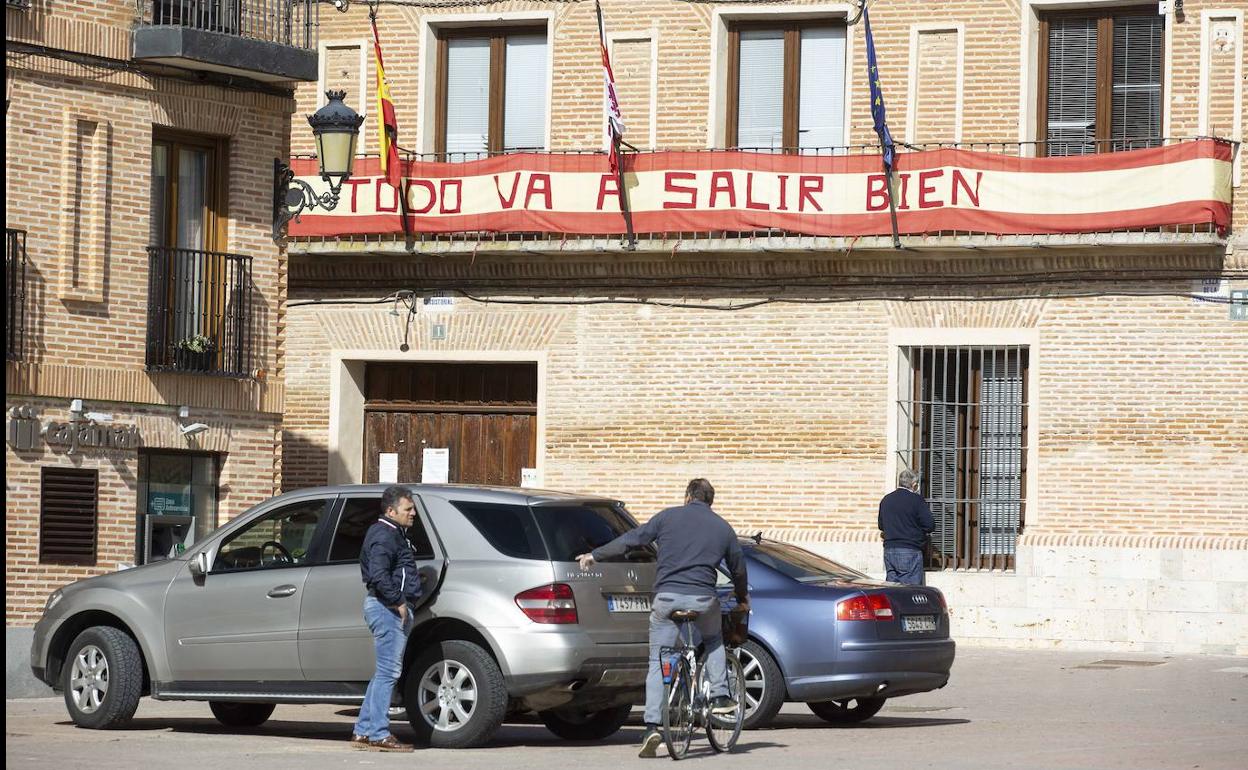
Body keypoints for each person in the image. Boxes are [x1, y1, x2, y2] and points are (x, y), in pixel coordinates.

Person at [577, 478, 749, 759]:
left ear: (688, 496)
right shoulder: (722, 527)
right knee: (714, 639)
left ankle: (652, 728)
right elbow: (738, 569)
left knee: (659, 660)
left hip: (666, 600)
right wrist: (742, 597)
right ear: (710, 501)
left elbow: (632, 539)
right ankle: (719, 696)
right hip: (703, 600)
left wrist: (595, 555)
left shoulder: (667, 517)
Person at [351, 485, 423, 752]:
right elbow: (378, 574)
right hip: (386, 608)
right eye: (408, 509)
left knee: (383, 672)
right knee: (389, 673)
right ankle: (379, 734)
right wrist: (399, 601)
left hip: (384, 606)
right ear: (391, 511)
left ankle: (363, 731)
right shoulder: (385, 535)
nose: (413, 513)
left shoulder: (392, 533)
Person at [878, 469, 935, 585]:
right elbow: (930, 525)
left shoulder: (886, 499)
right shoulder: (916, 500)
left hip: (889, 550)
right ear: (914, 485)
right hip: (909, 550)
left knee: (892, 589)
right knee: (909, 590)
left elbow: (881, 525)